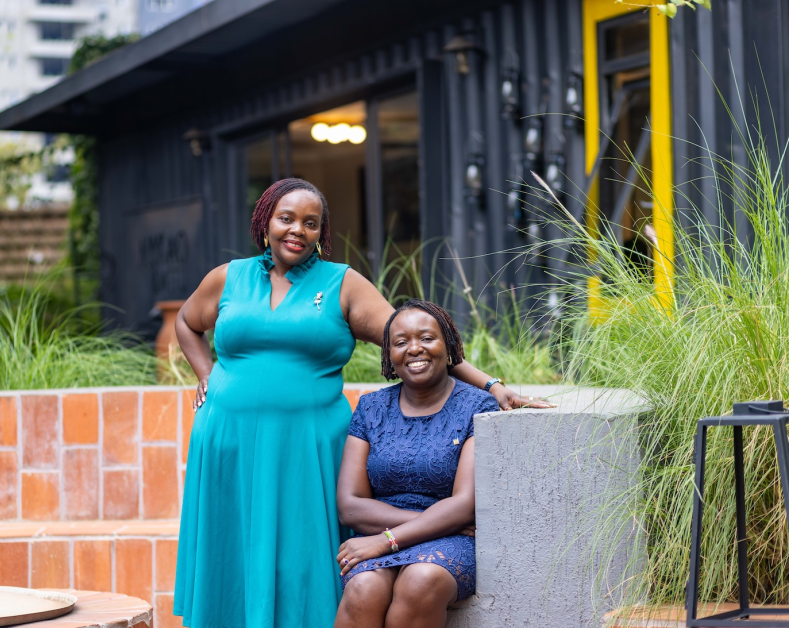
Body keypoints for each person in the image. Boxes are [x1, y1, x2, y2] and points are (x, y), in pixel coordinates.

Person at [172, 178, 549, 628]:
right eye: (286, 218)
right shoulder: (227, 277)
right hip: (227, 440)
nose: (298, 230)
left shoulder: (341, 284)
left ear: (321, 233)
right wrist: (207, 375)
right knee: (232, 546)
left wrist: (491, 385)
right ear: (265, 221)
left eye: (311, 223)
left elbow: (418, 337)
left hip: (305, 446)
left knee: (300, 552)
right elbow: (186, 322)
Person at [334, 299, 496, 628]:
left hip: (453, 540)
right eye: (401, 342)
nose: (414, 349)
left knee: (419, 581)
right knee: (363, 587)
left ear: (448, 345)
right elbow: (350, 506)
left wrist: (387, 540)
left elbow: (464, 505)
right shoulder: (371, 408)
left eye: (426, 338)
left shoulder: (477, 406)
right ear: (389, 355)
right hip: (388, 530)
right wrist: (406, 530)